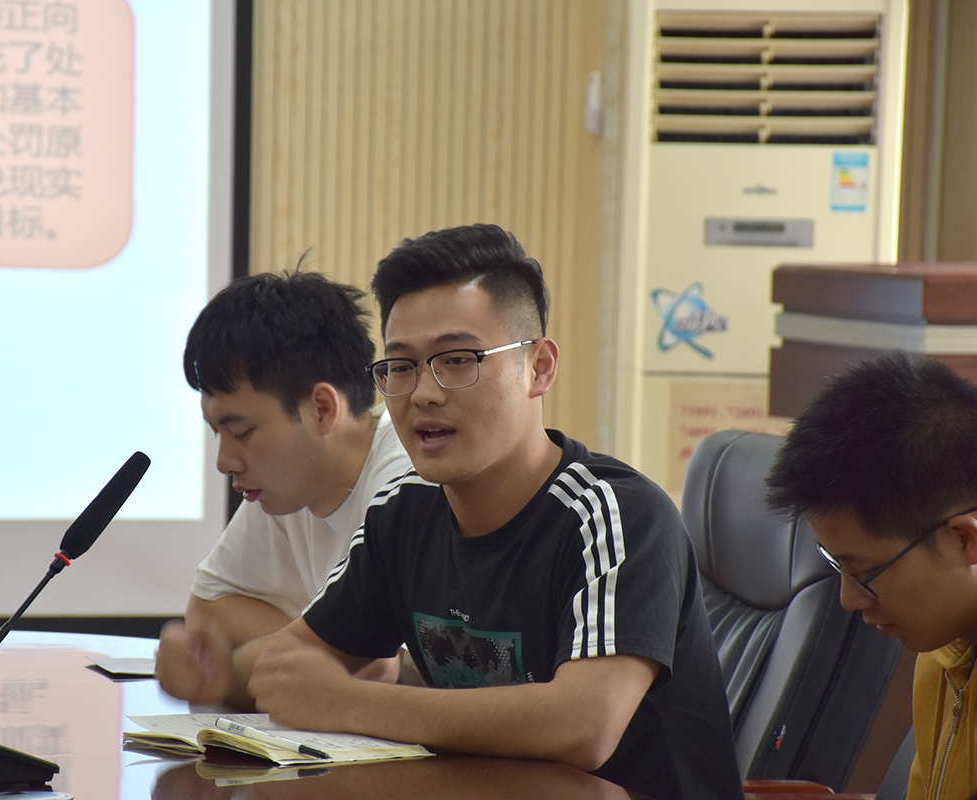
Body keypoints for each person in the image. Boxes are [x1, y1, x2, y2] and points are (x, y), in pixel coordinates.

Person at [157, 224, 742, 800]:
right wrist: (224, 675)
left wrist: (350, 702)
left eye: (457, 360)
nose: (423, 393)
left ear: (539, 368)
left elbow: (584, 724)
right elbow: (296, 661)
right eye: (401, 366)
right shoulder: (403, 514)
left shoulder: (614, 515)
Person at [766, 352, 977, 800]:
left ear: (964, 540)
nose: (850, 599)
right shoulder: (944, 657)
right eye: (838, 566)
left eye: (866, 571)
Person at [156, 269, 412, 682]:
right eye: (217, 432)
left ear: (322, 409)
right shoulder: (290, 484)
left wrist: (325, 652)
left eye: (241, 432)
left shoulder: (408, 482)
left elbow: (384, 669)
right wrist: (324, 645)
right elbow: (207, 611)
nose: (224, 462)